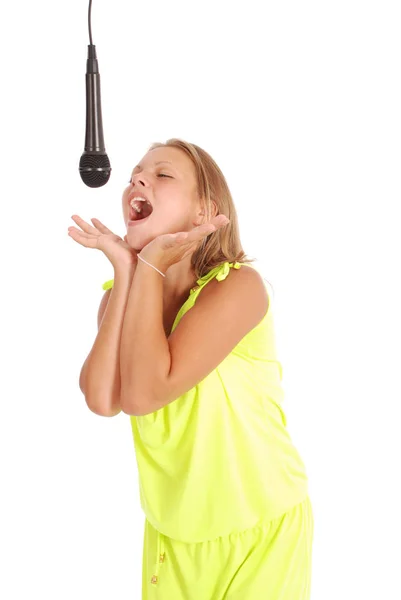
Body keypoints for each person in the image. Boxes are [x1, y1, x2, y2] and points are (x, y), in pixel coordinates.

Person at [69, 138, 314, 599]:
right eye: (134, 176)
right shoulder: (121, 296)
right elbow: (103, 399)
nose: (137, 180)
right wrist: (128, 271)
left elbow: (144, 394)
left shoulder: (238, 287)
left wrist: (148, 268)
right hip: (172, 535)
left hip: (260, 529)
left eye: (162, 175)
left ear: (205, 212)